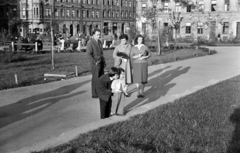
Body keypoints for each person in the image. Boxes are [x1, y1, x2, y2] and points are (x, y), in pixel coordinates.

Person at [87, 29, 106, 98]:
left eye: (99, 34)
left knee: (101, 78)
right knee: (95, 78)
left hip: (101, 61)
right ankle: (94, 93)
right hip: (95, 63)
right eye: (97, 35)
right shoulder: (90, 42)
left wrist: (103, 61)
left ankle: (100, 92)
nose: (99, 36)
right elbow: (89, 54)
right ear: (93, 35)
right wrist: (94, 62)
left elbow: (101, 53)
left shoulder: (100, 42)